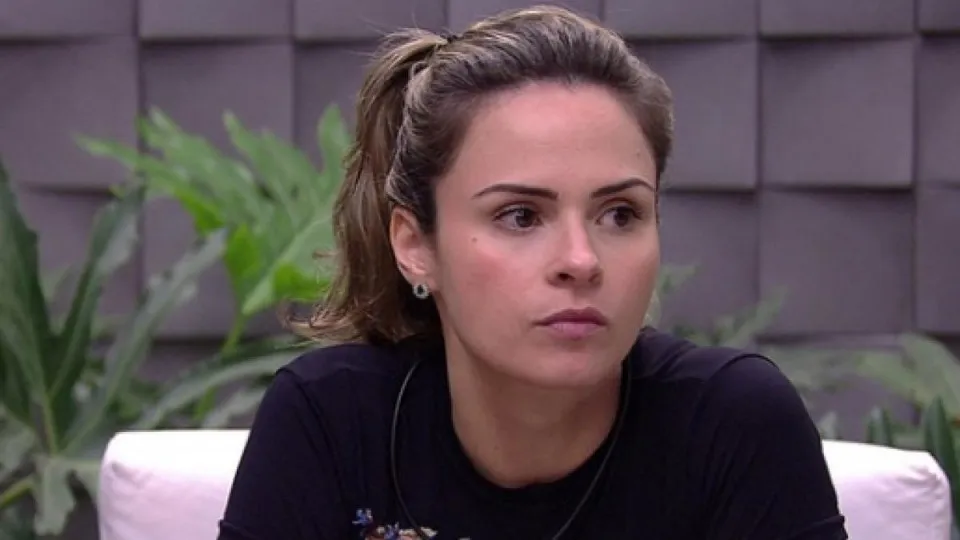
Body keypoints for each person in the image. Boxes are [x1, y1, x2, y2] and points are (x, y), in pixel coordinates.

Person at [217, 5, 847, 539]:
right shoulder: (333, 422)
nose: (581, 261)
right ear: (415, 246)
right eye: (520, 216)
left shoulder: (732, 426)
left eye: (620, 214)